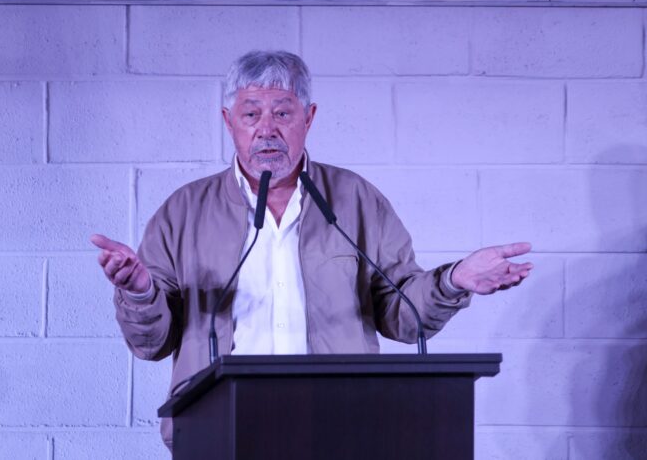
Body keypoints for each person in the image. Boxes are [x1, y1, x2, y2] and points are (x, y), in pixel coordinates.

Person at [90, 50, 533, 449]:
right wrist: (140, 292)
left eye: (283, 112)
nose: (267, 129)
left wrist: (454, 280)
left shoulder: (356, 200)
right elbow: (151, 343)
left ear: (309, 117)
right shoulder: (183, 211)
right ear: (228, 121)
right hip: (219, 430)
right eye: (251, 114)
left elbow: (401, 314)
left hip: (341, 428)